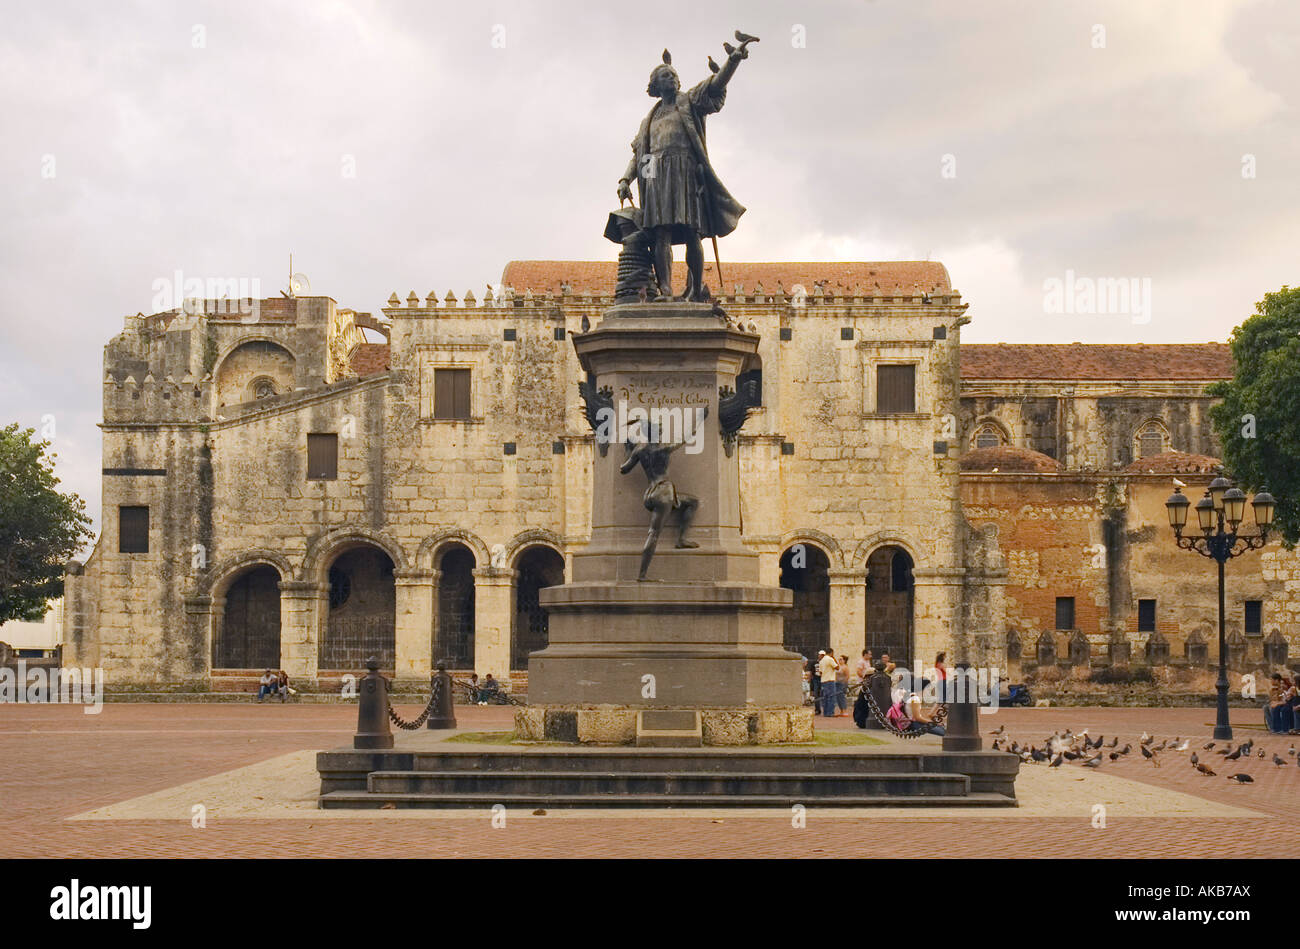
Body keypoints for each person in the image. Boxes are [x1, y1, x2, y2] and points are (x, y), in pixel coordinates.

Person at [818, 650, 839, 718]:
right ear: (831, 653)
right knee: (831, 697)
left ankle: (826, 712)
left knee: (825, 697)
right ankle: (830, 712)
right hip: (830, 680)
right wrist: (834, 658)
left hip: (823, 681)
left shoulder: (821, 661)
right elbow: (837, 667)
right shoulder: (830, 659)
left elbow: (820, 673)